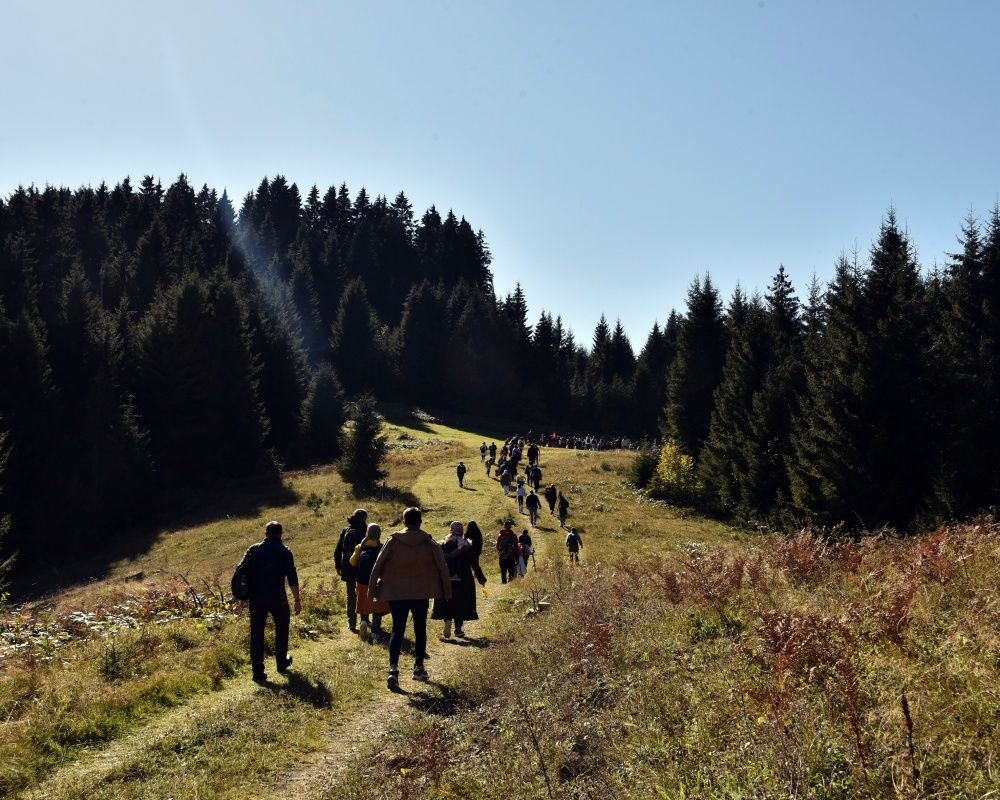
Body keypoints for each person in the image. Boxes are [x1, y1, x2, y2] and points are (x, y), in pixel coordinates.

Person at [368, 507, 451, 690]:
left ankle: (393, 670)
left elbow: (377, 566)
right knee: (420, 629)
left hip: (397, 594)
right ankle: (419, 668)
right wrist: (447, 592)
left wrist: (372, 593)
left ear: (404, 521)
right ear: (420, 522)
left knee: (397, 630)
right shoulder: (429, 543)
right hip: (421, 594)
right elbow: (443, 568)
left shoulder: (393, 541)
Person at [238, 521, 301, 683]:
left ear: (266, 533)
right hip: (277, 597)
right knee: (282, 629)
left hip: (256, 598)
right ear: (281, 533)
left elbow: (240, 571)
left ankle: (258, 672)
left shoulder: (253, 550)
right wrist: (297, 600)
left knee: (257, 634)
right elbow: (292, 578)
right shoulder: (285, 552)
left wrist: (242, 594)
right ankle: (281, 663)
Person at [433, 521, 486, 638]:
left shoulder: (442, 544)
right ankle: (458, 628)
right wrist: (481, 578)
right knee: (460, 601)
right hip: (463, 577)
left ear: (451, 529)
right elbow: (474, 564)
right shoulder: (466, 545)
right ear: (461, 530)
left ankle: (447, 620)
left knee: (447, 599)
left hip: (446, 578)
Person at [350, 523, 390, 641]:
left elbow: (352, 562)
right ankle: (375, 630)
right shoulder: (382, 547)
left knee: (363, 604)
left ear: (367, 533)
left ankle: (363, 622)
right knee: (377, 607)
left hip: (362, 582)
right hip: (376, 582)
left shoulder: (360, 547)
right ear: (379, 534)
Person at [334, 508, 368, 632]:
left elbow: (338, 550)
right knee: (364, 593)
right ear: (365, 518)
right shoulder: (365, 530)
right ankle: (365, 619)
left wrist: (338, 566)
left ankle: (352, 623)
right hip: (362, 567)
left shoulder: (346, 530)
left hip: (348, 568)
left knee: (351, 596)